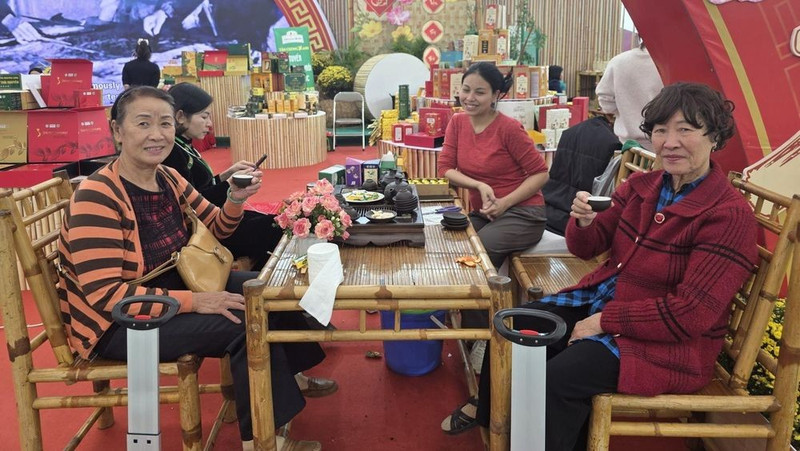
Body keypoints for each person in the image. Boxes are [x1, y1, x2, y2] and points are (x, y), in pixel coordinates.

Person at [441, 82, 759, 450]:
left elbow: (691, 314)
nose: (670, 142)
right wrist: (584, 221)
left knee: (557, 378)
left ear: (715, 137)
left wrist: (603, 322)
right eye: (660, 130)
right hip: (606, 304)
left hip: (670, 344)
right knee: (514, 327)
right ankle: (497, 423)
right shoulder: (643, 186)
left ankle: (534, 437)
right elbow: (586, 247)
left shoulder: (728, 215)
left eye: (685, 129)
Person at [57, 86, 332, 451]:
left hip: (170, 288)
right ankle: (261, 441)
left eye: (165, 123)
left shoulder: (167, 178)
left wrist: (234, 198)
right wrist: (197, 301)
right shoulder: (97, 197)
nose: (157, 134)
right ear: (118, 131)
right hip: (118, 323)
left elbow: (218, 229)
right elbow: (106, 297)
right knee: (241, 324)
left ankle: (286, 379)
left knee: (268, 287)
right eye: (143, 123)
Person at [437, 61, 549, 271]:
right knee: (449, 241)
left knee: (479, 253)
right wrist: (479, 185)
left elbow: (541, 174)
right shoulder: (457, 122)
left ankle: (485, 303)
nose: (470, 98)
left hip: (523, 214)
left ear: (495, 95)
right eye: (466, 89)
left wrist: (504, 203)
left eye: (479, 92)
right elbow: (445, 169)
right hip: (485, 213)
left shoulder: (509, 128)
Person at [163, 82, 284, 271]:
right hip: (205, 229)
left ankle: (246, 265)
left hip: (216, 215)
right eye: (204, 117)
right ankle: (249, 276)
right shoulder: (173, 153)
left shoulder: (184, 145)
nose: (210, 124)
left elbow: (201, 186)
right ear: (180, 116)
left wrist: (227, 174)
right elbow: (193, 204)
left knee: (275, 220)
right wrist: (230, 184)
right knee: (275, 227)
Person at [595, 42, 664, 150]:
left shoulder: (619, 61)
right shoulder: (673, 64)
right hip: (665, 147)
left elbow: (606, 104)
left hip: (627, 147)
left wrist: (627, 109)